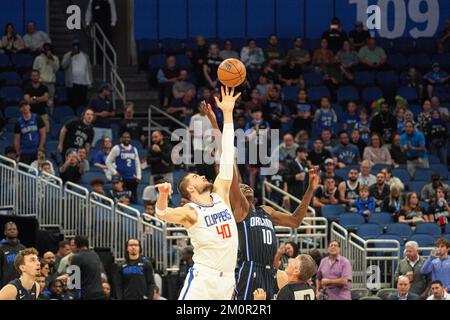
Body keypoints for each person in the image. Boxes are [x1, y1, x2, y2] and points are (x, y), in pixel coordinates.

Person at [155, 86, 241, 300]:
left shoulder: (220, 194)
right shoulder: (190, 211)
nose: (203, 177)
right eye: (196, 177)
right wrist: (164, 195)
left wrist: (227, 113)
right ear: (190, 189)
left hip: (229, 279)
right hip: (204, 279)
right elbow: (162, 214)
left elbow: (228, 153)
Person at [106, 131, 141, 203]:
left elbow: (137, 163)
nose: (126, 139)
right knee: (122, 199)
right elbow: (108, 161)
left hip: (132, 179)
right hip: (121, 179)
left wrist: (139, 176)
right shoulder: (117, 148)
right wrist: (114, 172)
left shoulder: (134, 149)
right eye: (124, 137)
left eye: (128, 137)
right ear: (121, 139)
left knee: (133, 200)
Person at [62, 38, 93, 112]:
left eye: (77, 45)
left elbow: (88, 69)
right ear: (72, 46)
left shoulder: (85, 56)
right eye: (74, 46)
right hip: (72, 84)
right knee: (73, 103)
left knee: (82, 102)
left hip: (83, 83)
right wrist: (70, 56)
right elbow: (63, 66)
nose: (76, 47)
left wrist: (89, 82)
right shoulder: (67, 55)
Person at [70, 236, 105, 300]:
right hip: (100, 292)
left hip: (87, 294)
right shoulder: (95, 254)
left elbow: (74, 281)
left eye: (73, 245)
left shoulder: (76, 257)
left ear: (76, 245)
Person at [189, 104, 215, 182]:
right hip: (198, 146)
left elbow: (214, 132)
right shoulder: (194, 118)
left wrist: (213, 146)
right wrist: (199, 135)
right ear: (198, 108)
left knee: (209, 167)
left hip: (208, 146)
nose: (203, 108)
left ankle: (211, 184)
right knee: (199, 167)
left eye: (205, 107)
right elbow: (191, 131)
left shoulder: (211, 117)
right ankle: (201, 183)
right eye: (201, 107)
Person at [13, 101, 46, 165]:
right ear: (20, 109)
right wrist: (18, 153)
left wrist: (41, 147)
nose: (25, 107)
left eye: (26, 105)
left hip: (37, 151)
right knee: (25, 172)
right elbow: (17, 139)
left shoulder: (37, 118)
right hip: (25, 152)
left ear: (29, 106)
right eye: (22, 106)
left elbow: (43, 134)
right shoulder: (18, 123)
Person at [33, 43, 59, 109]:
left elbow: (56, 69)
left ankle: (50, 116)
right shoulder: (38, 58)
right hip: (41, 83)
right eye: (46, 49)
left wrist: (51, 59)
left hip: (51, 83)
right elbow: (34, 71)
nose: (47, 50)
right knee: (40, 101)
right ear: (43, 49)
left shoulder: (55, 58)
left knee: (50, 102)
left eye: (49, 49)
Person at [0, 222, 27, 287]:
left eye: (14, 229)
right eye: (9, 229)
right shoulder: (1, 248)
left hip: (21, 284)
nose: (12, 231)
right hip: (5, 285)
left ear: (17, 231)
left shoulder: (23, 248)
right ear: (5, 232)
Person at [89, 83, 115, 147]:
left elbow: (113, 113)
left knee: (109, 146)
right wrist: (100, 114)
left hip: (107, 126)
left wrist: (107, 113)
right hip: (97, 126)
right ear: (104, 90)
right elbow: (89, 112)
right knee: (94, 145)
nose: (110, 93)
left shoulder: (109, 100)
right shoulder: (94, 100)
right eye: (109, 91)